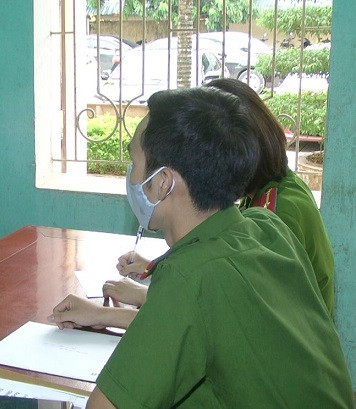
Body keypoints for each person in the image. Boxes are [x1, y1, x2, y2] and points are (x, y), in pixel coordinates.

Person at [48, 88, 353, 408]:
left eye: (133, 160)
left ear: (162, 182)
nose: (130, 173)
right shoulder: (268, 228)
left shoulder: (187, 277)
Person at [111, 77, 335, 319]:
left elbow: (237, 312)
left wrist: (114, 309)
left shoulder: (278, 211)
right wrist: (153, 267)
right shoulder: (275, 189)